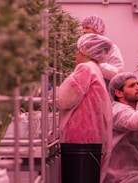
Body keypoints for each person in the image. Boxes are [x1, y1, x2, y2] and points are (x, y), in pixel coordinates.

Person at [55, 33, 113, 183]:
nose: (76, 53)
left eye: (77, 49)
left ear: (86, 49)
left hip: (79, 138)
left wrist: (50, 93)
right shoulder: (95, 69)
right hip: (92, 137)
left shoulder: (85, 68)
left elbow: (64, 100)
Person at [81, 14, 125, 86]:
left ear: (98, 29)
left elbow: (118, 74)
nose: (84, 31)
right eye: (83, 28)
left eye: (87, 28)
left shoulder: (110, 48)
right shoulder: (82, 48)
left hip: (106, 92)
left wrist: (96, 63)